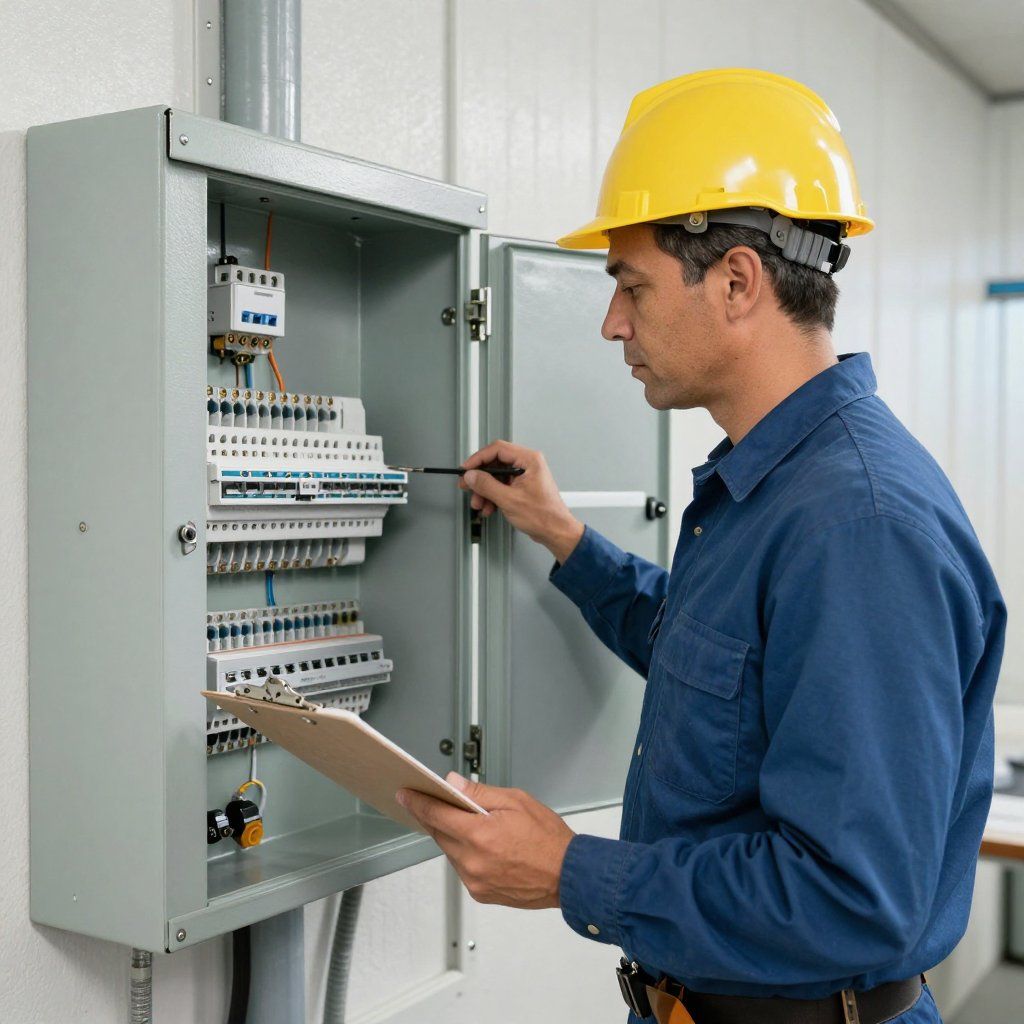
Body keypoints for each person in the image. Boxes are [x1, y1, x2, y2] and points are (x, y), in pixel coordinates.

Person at [396, 69, 1005, 1024]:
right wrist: (563, 536)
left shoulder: (861, 528)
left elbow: (852, 901)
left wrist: (570, 871)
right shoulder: (768, 488)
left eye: (631, 286)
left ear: (735, 281)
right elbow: (716, 666)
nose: (612, 323)